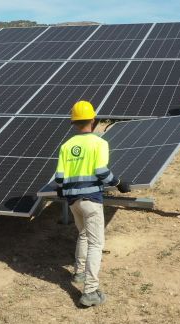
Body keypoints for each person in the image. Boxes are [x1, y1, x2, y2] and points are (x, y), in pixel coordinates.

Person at [53, 100, 131, 307]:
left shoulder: (66, 146)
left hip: (73, 201)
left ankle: (79, 273)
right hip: (91, 200)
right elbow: (101, 171)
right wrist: (119, 183)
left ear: (74, 123)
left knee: (84, 235)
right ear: (93, 120)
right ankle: (90, 291)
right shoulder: (99, 143)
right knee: (96, 243)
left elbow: (59, 178)